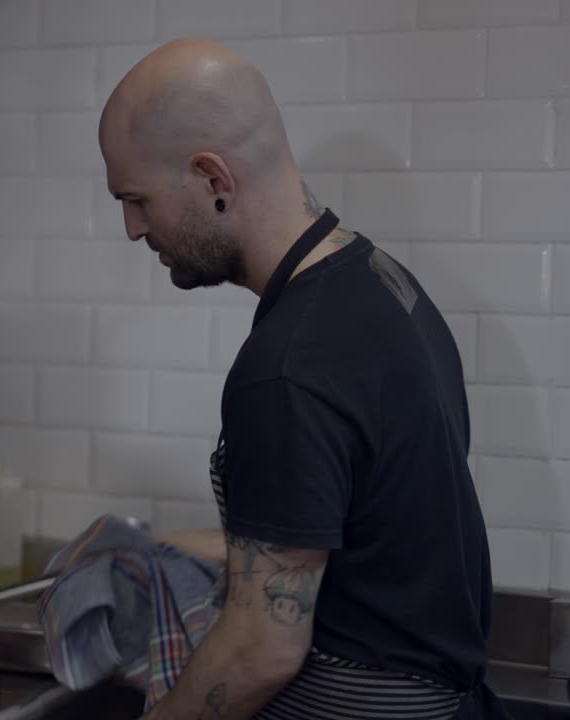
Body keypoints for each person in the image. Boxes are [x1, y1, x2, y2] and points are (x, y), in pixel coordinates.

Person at [97, 38, 509, 719]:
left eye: (136, 199)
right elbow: (358, 531)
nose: (132, 229)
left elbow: (262, 650)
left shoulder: (287, 367)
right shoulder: (381, 283)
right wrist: (156, 551)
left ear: (213, 179)